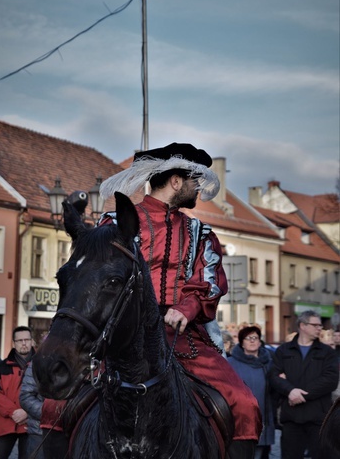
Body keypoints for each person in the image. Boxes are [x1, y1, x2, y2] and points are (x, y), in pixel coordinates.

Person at [99, 142, 262, 458]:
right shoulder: (115, 224)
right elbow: (99, 277)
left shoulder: (201, 232)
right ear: (176, 181)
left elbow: (210, 283)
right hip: (122, 337)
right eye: (194, 181)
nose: (198, 188)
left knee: (246, 405)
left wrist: (185, 307)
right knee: (57, 406)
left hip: (186, 340)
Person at [269, 310, 338, 459]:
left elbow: (330, 380)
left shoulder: (326, 352)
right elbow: (273, 376)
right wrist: (290, 390)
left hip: (319, 417)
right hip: (291, 417)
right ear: (302, 325)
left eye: (320, 325)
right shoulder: (284, 350)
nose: (320, 328)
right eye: (315, 325)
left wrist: (300, 394)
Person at [227, 325, 275, 459]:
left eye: (255, 338)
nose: (252, 341)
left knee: (260, 453)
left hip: (264, 416)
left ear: (260, 342)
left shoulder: (270, 363)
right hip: (239, 418)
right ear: (242, 342)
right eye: (248, 338)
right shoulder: (230, 363)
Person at [0, 326, 35, 459]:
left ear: (32, 341)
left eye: (27, 340)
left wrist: (27, 412)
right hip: (6, 423)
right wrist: (13, 412)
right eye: (20, 340)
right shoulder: (1, 367)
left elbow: (46, 394)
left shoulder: (41, 366)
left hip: (31, 424)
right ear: (14, 343)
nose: (24, 343)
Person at [19, 361, 45, 459]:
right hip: (39, 432)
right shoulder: (38, 363)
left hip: (70, 433)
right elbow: (26, 397)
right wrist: (50, 413)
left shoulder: (77, 361)